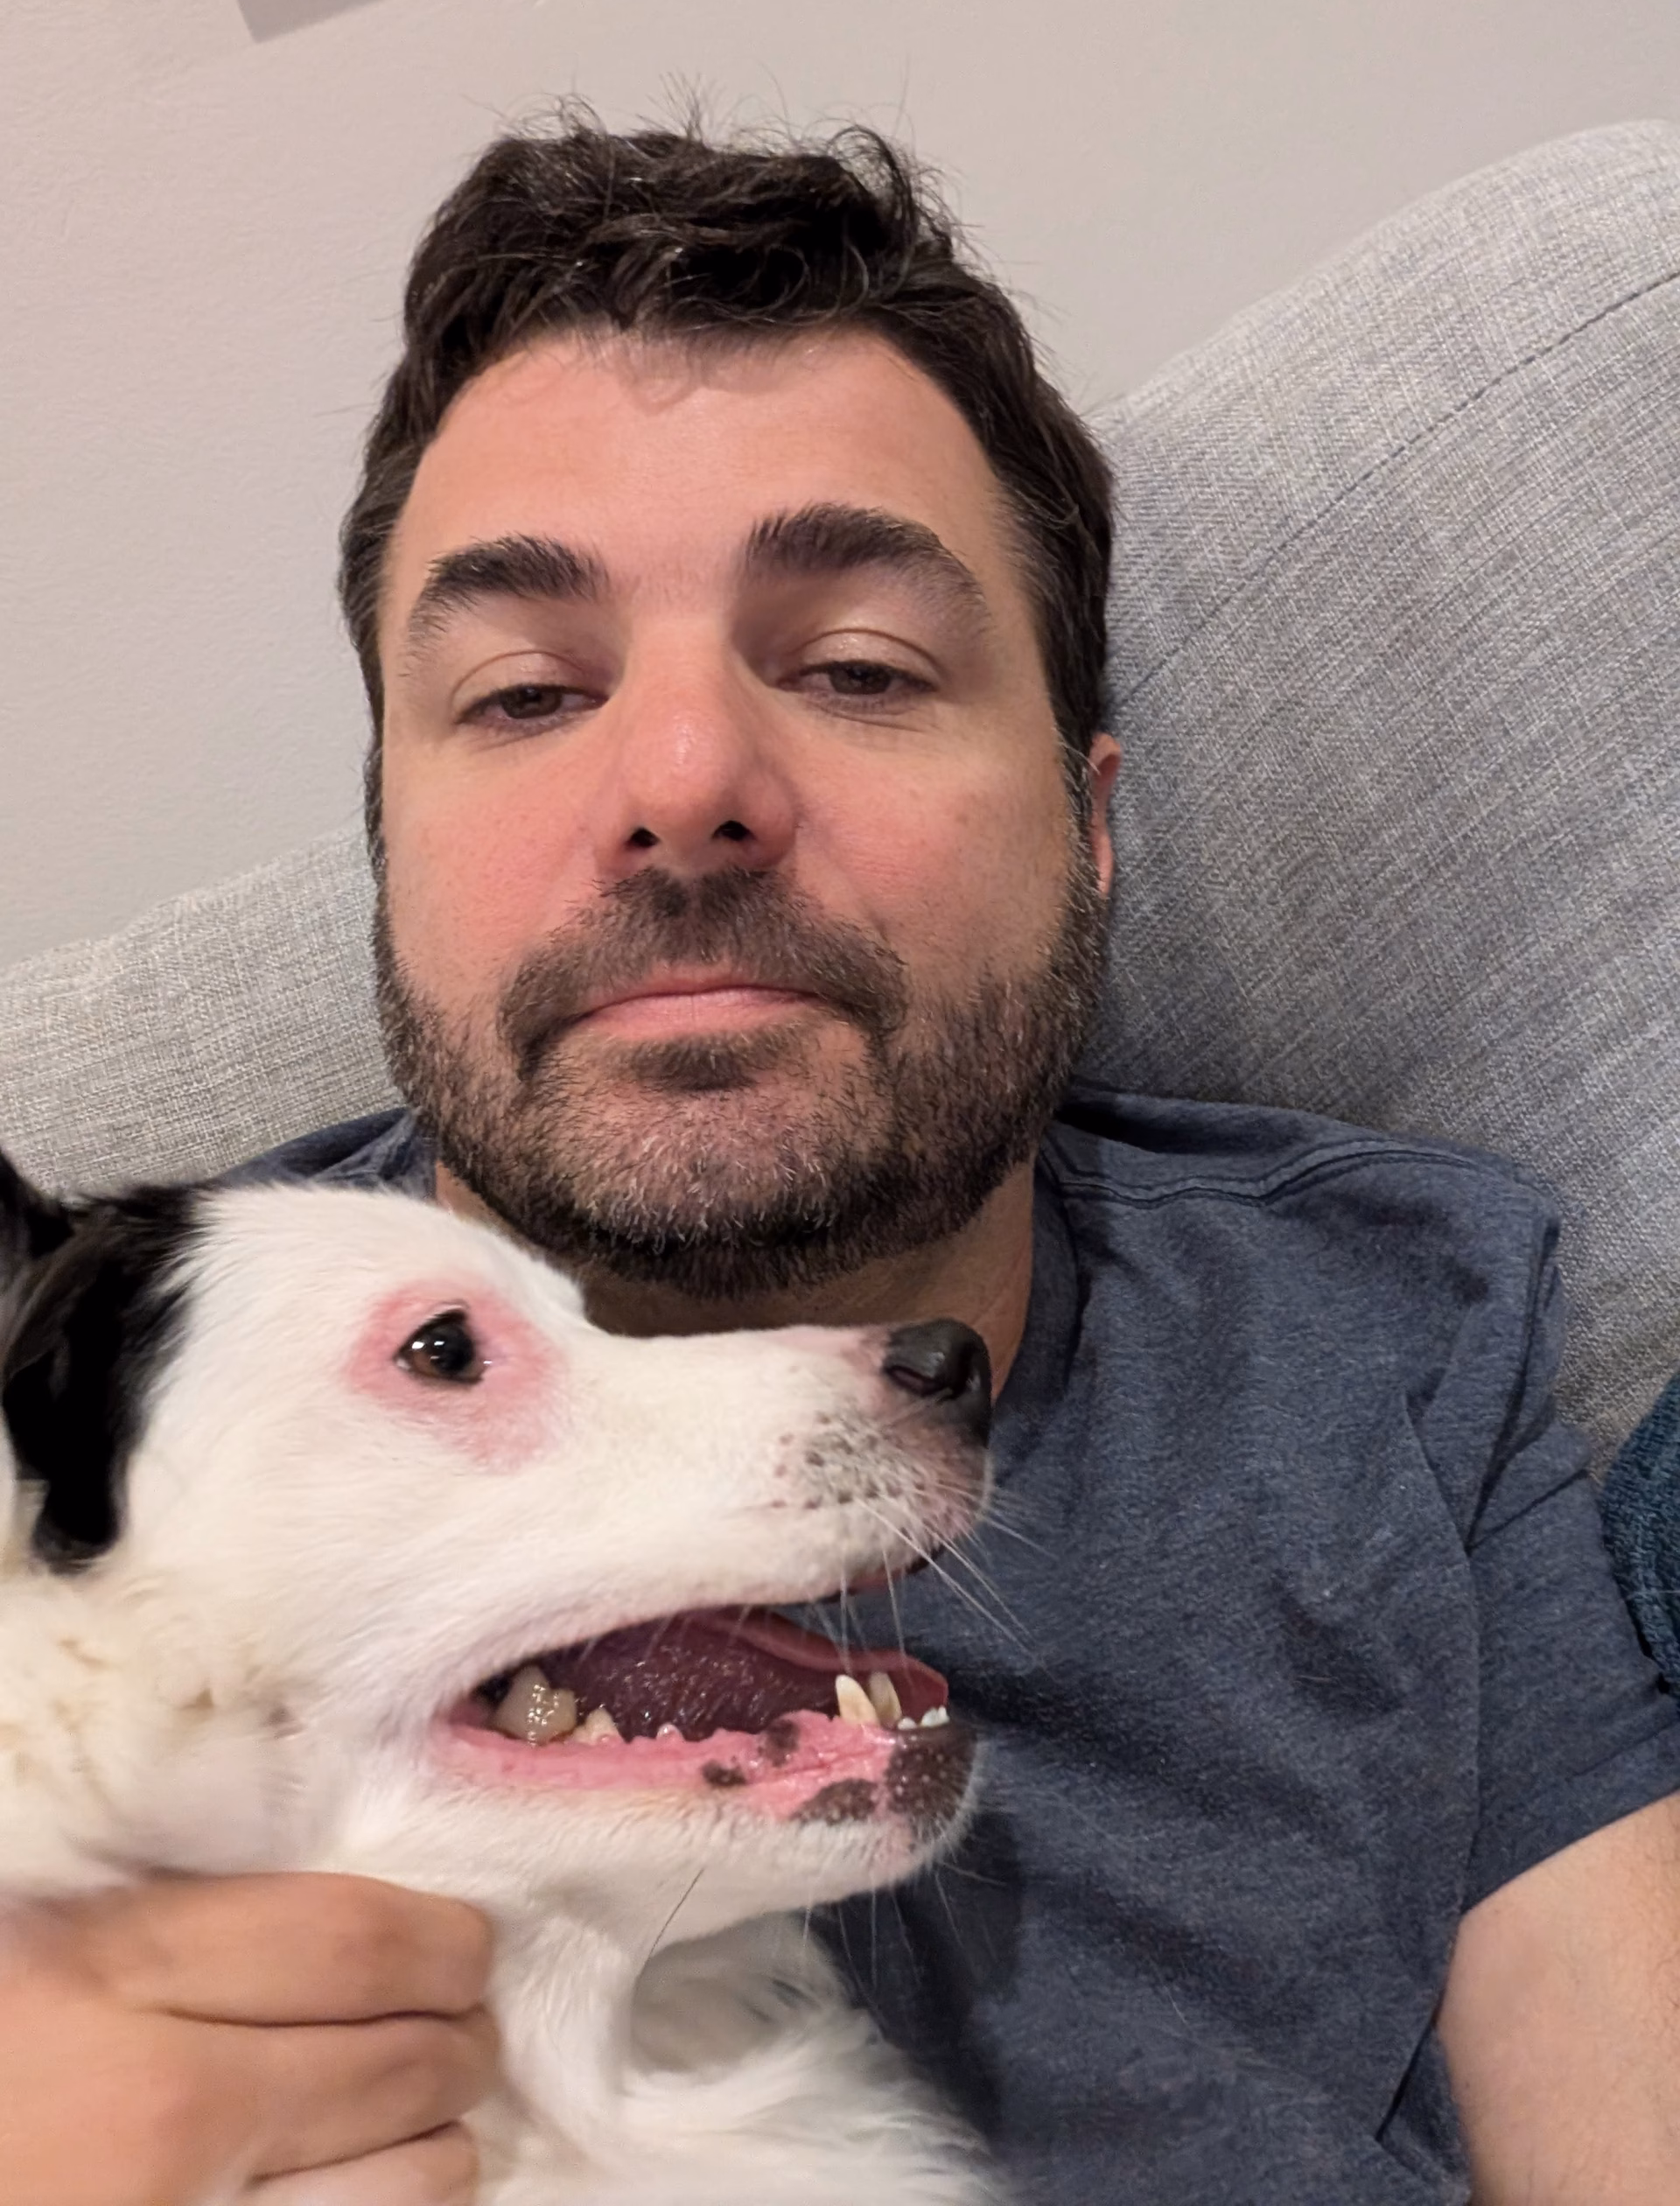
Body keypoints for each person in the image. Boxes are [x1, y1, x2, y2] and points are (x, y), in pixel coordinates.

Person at [6, 111, 1680, 2206]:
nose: (684, 776)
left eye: (859, 666)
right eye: (524, 694)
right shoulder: (100, 1415)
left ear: (1089, 824)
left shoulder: (1394, 1325)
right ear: (387, 850)